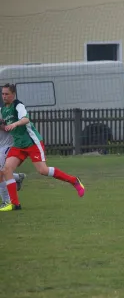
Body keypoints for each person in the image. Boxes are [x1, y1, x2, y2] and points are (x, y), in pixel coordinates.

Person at [0, 83, 84, 212]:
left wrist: (15, 124)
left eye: (7, 94)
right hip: (18, 145)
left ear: (13, 94)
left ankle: (74, 180)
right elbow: (4, 124)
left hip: (32, 142)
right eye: (3, 94)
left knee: (43, 171)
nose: (4, 96)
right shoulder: (3, 110)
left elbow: (25, 119)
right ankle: (14, 204)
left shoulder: (18, 105)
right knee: (6, 169)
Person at [0, 114, 25, 208]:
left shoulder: (3, 112)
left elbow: (8, 128)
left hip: (6, 146)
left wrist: (1, 123)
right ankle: (17, 177)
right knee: (3, 172)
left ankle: (6, 201)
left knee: (0, 174)